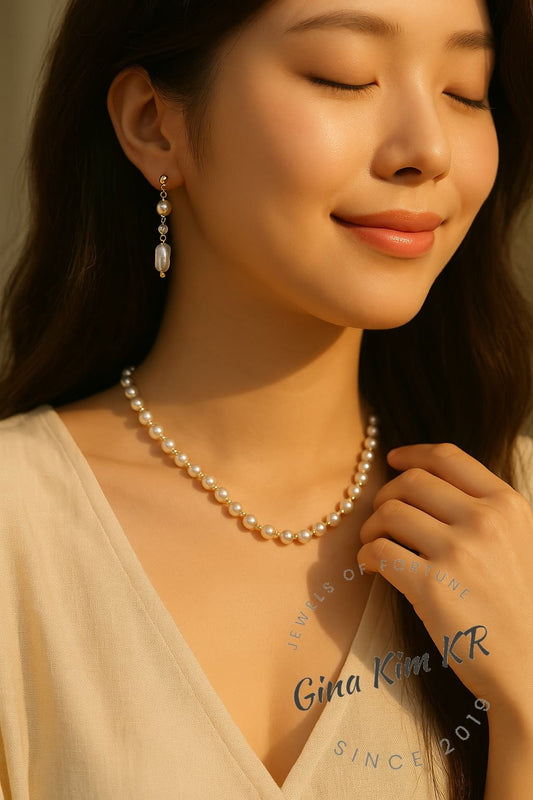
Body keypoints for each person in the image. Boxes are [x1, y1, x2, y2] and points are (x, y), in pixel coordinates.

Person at [0, 0, 532, 797]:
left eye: (464, 89)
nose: (426, 148)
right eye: (342, 78)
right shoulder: (20, 526)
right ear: (153, 123)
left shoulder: (514, 515)